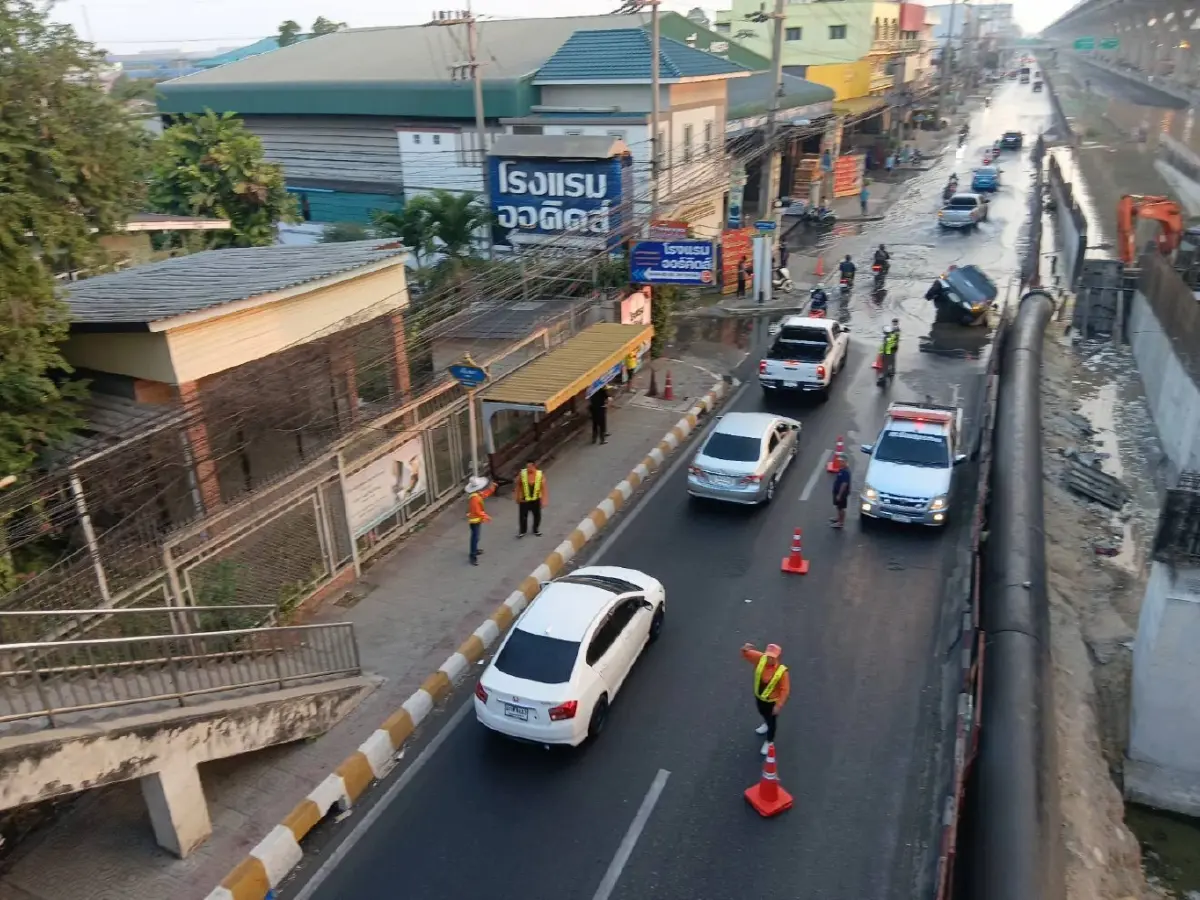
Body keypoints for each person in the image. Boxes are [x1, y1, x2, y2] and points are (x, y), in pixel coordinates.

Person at [741, 642, 791, 755]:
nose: (769, 659)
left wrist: (778, 705)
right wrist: (744, 649)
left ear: (777, 657)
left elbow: (785, 690)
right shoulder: (761, 658)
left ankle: (769, 742)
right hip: (759, 697)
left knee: (772, 722)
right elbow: (747, 654)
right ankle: (766, 724)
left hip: (771, 702)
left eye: (772, 657)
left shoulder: (782, 672)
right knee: (762, 712)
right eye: (768, 656)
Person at [465, 475, 495, 566]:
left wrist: (491, 489)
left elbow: (484, 494)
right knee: (475, 538)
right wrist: (486, 516)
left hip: (476, 520)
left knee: (476, 537)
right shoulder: (475, 498)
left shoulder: (476, 495)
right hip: (474, 521)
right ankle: (473, 555)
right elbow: (477, 511)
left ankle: (475, 550)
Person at [514, 458, 547, 538]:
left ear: (534, 466)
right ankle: (522, 531)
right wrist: (517, 497)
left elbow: (543, 488)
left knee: (537, 516)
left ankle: (536, 530)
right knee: (523, 517)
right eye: (527, 467)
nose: (528, 469)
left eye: (530, 467)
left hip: (536, 499)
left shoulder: (540, 474)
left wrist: (544, 500)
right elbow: (518, 486)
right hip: (524, 499)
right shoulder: (522, 474)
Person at [830, 455, 851, 528]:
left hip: (842, 494)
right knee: (838, 507)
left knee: (841, 508)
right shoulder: (842, 469)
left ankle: (840, 522)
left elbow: (844, 484)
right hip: (837, 492)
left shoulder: (845, 472)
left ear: (845, 462)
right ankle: (838, 518)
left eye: (841, 461)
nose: (839, 462)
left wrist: (839, 495)